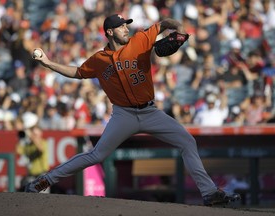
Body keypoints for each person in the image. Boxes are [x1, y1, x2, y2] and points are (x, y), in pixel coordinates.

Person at [25, 14, 240, 206]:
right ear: (110, 32)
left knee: (187, 141)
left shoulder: (140, 40)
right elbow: (78, 72)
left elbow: (166, 23)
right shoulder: (99, 59)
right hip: (123, 115)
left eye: (127, 25)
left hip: (150, 112)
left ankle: (210, 193)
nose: (126, 29)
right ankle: (44, 180)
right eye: (121, 26)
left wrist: (180, 30)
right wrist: (49, 63)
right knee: (97, 154)